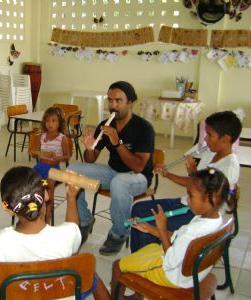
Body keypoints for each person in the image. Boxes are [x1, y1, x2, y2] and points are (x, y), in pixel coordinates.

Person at [0, 166, 110, 299]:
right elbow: (73, 227)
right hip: (59, 293)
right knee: (90, 273)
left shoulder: (2, 241)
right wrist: (71, 197)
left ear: (10, 209)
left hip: (24, 295)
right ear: (46, 195)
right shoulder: (66, 236)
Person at [111, 168, 237, 299]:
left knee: (117, 266)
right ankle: (137, 296)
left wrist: (161, 228)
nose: (187, 200)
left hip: (172, 274)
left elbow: (170, 261)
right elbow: (178, 237)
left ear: (213, 199)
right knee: (148, 248)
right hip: (192, 272)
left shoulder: (194, 231)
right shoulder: (215, 220)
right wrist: (150, 228)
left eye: (191, 196)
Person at [130, 110, 242, 253]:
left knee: (147, 225)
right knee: (138, 209)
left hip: (199, 213)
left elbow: (202, 192)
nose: (205, 139)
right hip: (188, 202)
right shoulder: (211, 153)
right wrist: (180, 173)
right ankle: (139, 258)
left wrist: (189, 175)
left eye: (209, 135)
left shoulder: (229, 167)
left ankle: (151, 264)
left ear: (225, 139)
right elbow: (196, 184)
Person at [68, 81, 155, 255]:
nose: (113, 105)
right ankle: (84, 221)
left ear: (130, 103)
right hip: (113, 173)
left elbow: (138, 166)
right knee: (72, 170)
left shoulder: (144, 128)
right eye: (110, 101)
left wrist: (117, 143)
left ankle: (119, 233)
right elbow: (90, 160)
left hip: (138, 177)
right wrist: (89, 147)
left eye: (118, 101)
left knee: (120, 182)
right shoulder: (105, 124)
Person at [31, 107, 70, 224]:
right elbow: (35, 154)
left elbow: (67, 156)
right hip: (40, 167)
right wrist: (32, 152)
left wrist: (58, 157)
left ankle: (47, 217)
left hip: (53, 170)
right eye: (47, 121)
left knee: (48, 188)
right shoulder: (41, 136)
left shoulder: (62, 138)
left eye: (53, 121)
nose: (50, 124)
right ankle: (34, 212)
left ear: (60, 123)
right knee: (32, 185)